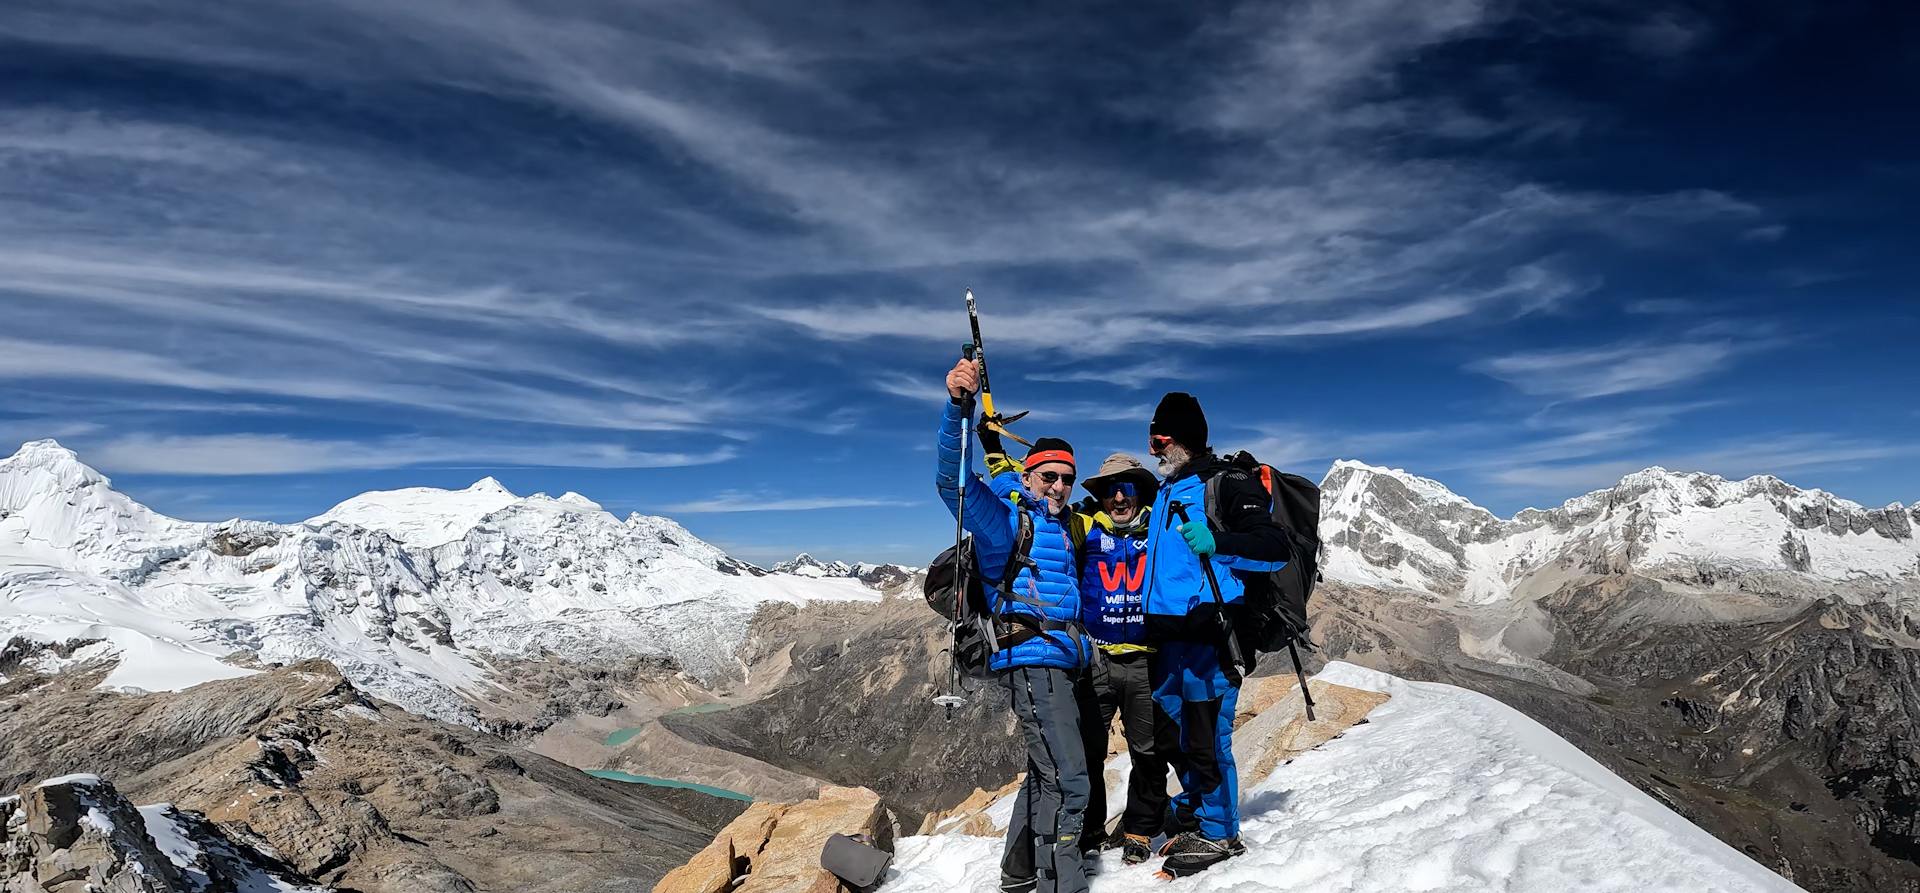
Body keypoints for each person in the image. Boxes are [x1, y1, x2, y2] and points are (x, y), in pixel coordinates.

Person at [938, 357, 1094, 893]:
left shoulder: (1053, 523)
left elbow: (1002, 472)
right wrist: (958, 408)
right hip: (1034, 662)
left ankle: (1019, 871)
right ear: (1029, 477)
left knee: (1044, 775)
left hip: (1059, 663)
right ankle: (1062, 887)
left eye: (1066, 479)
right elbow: (953, 483)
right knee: (1070, 784)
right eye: (1048, 475)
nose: (1058, 486)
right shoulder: (1006, 524)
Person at [1140, 392, 1289, 877]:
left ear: (1183, 439)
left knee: (1206, 739)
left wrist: (1219, 541)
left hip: (1212, 636)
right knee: (1175, 735)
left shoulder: (1227, 482)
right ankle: (1201, 813)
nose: (1152, 447)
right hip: (1170, 639)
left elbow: (1274, 547)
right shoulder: (1169, 488)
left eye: (1159, 438)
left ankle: (1221, 833)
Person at [1075, 453, 1179, 867]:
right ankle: (1089, 832)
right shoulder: (1084, 527)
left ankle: (1139, 829)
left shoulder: (1160, 526)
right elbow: (1033, 498)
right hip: (1095, 660)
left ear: (1142, 491)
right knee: (1086, 752)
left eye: (1128, 487)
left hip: (1146, 660)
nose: (1118, 497)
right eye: (1109, 489)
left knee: (1148, 752)